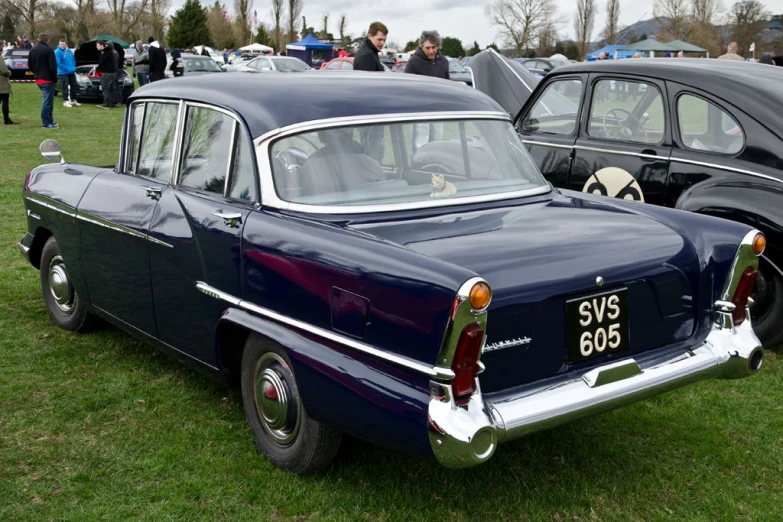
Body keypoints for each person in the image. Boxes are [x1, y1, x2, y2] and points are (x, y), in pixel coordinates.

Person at [28, 33, 59, 128]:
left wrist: (36, 73)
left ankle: (50, 120)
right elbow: (53, 67)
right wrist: (54, 78)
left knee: (48, 101)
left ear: (38, 39)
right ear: (47, 40)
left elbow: (30, 65)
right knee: (47, 101)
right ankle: (46, 121)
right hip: (48, 79)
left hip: (38, 78)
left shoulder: (32, 50)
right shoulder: (49, 50)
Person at [54, 39, 80, 107]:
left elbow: (73, 59)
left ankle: (73, 100)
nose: (62, 45)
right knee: (65, 86)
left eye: (64, 44)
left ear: (66, 44)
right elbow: (58, 62)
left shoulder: (69, 51)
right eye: (61, 44)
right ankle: (65, 101)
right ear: (59, 44)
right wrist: (66, 68)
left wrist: (73, 67)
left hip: (71, 71)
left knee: (74, 85)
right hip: (63, 72)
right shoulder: (57, 52)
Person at [95, 40, 118, 109]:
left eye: (97, 45)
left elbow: (102, 63)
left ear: (102, 45)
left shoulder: (104, 53)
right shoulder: (111, 52)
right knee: (112, 87)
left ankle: (106, 103)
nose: (96, 47)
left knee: (105, 88)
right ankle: (113, 102)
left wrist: (97, 68)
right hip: (113, 72)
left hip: (107, 73)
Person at [0, 52, 16, 125]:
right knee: (5, 100)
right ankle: (6, 120)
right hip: (1, 83)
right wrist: (9, 73)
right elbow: (4, 71)